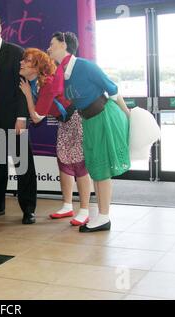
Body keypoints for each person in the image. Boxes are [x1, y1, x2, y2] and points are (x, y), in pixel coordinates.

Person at [47, 31, 130, 232]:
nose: (48, 48)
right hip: (88, 120)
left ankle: (103, 216)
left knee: (102, 168)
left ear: (63, 45)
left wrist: (128, 116)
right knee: (96, 167)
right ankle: (102, 216)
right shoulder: (61, 73)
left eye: (52, 44)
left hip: (104, 116)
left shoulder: (84, 66)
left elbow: (112, 89)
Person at [19, 48, 91, 227]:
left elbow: (36, 118)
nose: (21, 63)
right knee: (65, 163)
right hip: (64, 121)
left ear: (36, 66)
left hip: (76, 119)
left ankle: (84, 210)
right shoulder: (36, 82)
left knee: (80, 165)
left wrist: (28, 95)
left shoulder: (47, 83)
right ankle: (67, 205)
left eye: (26, 60)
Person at [0, 13, 37, 224]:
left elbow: (23, 88)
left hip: (14, 118)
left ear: (0, 27)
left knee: (23, 165)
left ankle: (28, 208)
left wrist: (22, 117)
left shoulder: (15, 52)